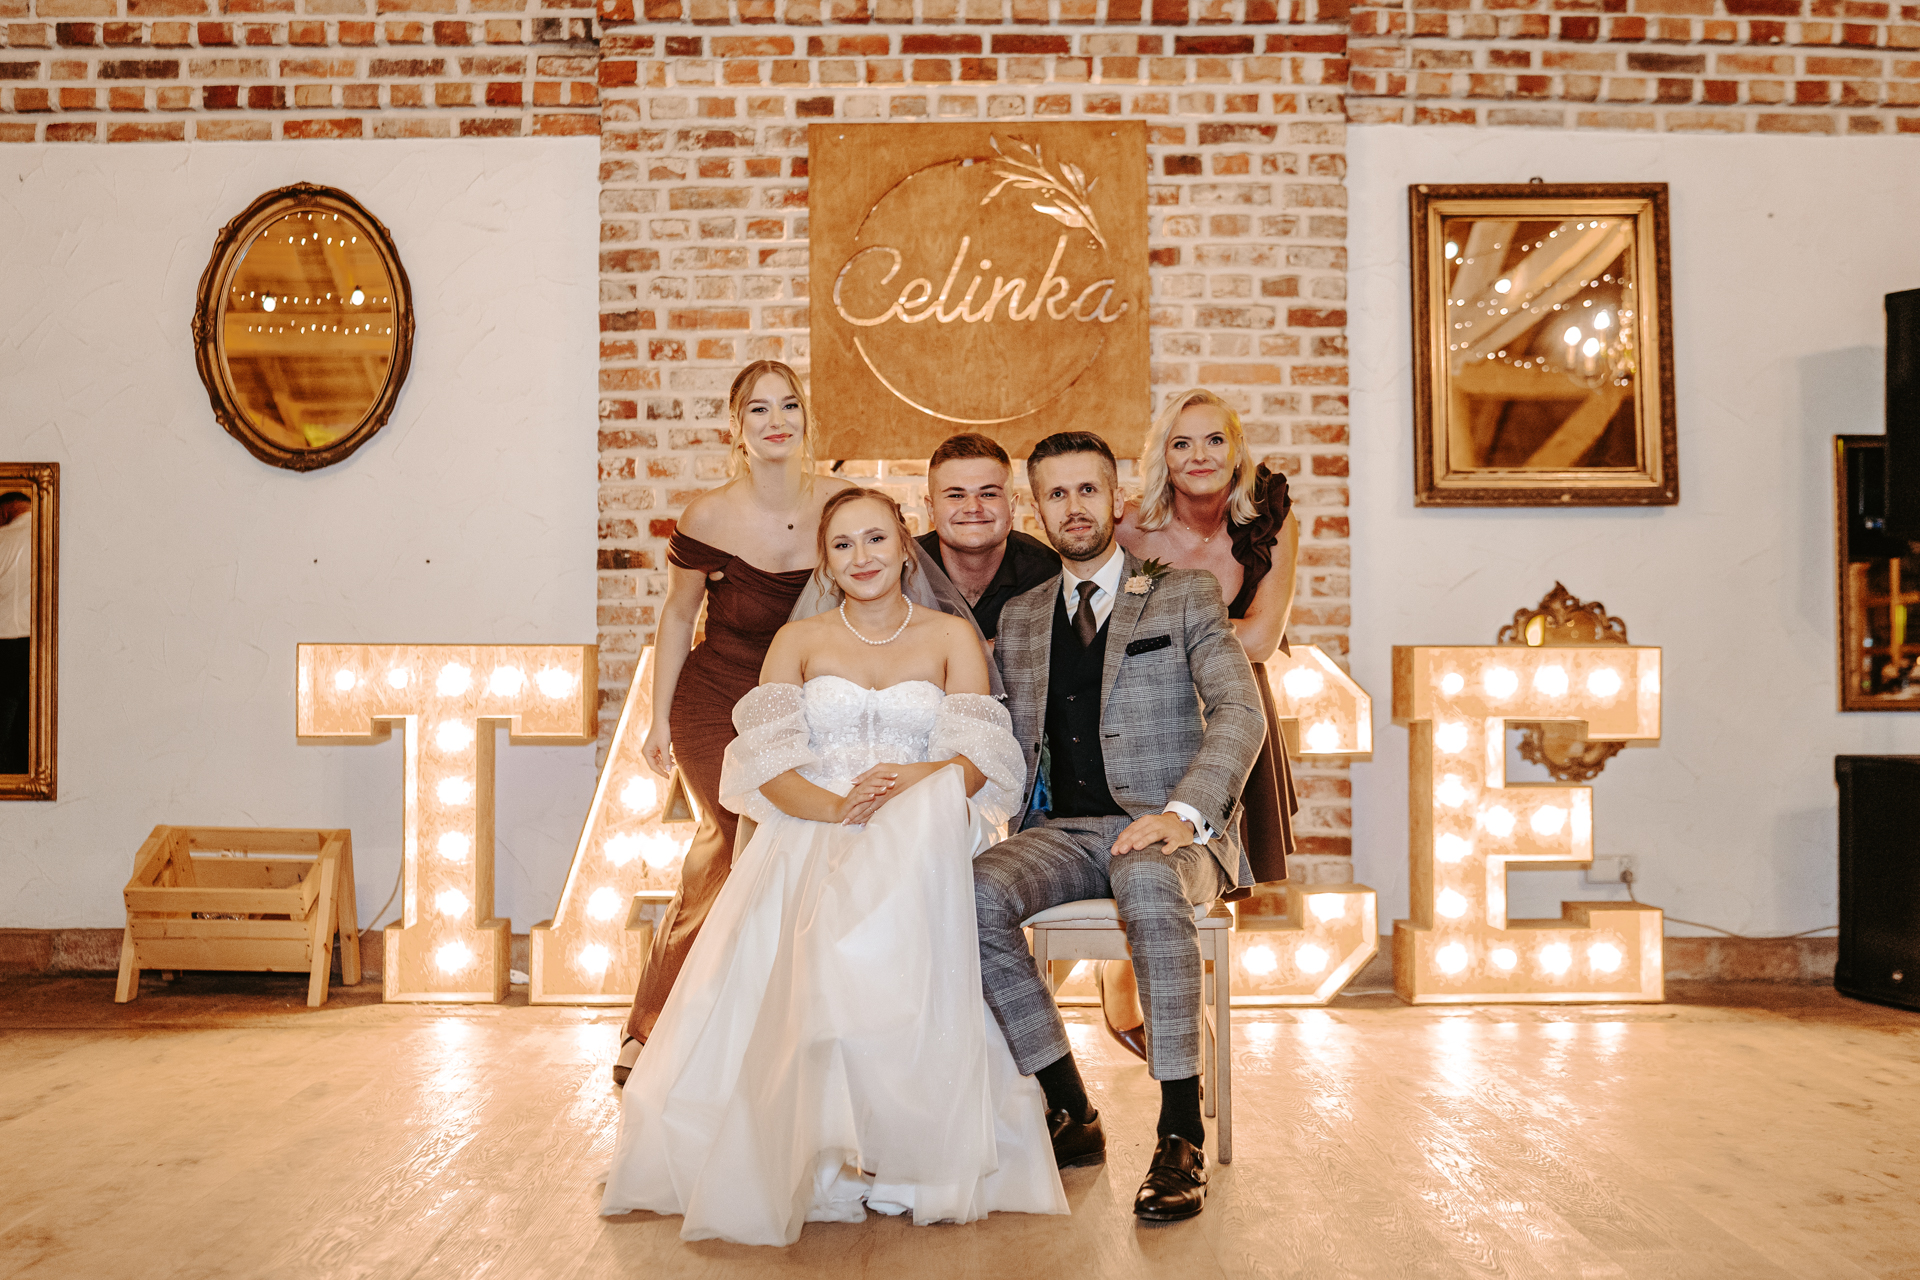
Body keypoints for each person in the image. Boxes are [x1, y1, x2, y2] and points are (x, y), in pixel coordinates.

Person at [601, 488, 1066, 1245]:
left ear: (905, 547)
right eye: (843, 545)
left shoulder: (952, 637)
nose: (862, 557)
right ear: (825, 562)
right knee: (810, 924)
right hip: (812, 821)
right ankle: (810, 1150)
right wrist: (834, 809)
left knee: (897, 903)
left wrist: (905, 786)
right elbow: (766, 762)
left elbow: (978, 758)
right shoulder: (798, 642)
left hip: (919, 825)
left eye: (876, 538)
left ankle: (907, 1151)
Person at [974, 431, 1265, 1224]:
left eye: (1088, 489)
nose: (1074, 507)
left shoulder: (1184, 594)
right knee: (971, 893)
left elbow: (1240, 711)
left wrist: (1183, 812)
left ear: (1117, 499)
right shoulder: (1022, 618)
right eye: (1057, 494)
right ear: (1037, 509)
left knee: (1145, 873)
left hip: (1175, 832)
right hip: (1065, 831)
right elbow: (995, 732)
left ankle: (1179, 1133)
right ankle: (1071, 1108)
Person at [612, 361, 855, 1086]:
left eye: (789, 405)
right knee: (725, 846)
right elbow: (678, 616)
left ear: (807, 418)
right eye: (759, 409)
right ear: (736, 426)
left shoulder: (842, 505)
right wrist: (657, 719)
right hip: (717, 696)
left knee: (804, 856)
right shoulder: (707, 516)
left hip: (809, 705)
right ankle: (650, 1026)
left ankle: (773, 1033)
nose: (777, 420)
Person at [1097, 389, 1302, 1060]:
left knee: (1210, 870)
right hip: (1145, 712)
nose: (1199, 456)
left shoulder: (1270, 524)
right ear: (1163, 457)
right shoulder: (1129, 526)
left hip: (1228, 705)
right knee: (1139, 853)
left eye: (1214, 440)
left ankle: (1166, 1002)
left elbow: (1263, 638)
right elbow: (1093, 625)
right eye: (1181, 443)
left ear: (1236, 450)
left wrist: (1166, 639)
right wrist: (1196, 642)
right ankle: (1128, 986)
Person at [915, 433, 1060, 644]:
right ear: (931, 509)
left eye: (988, 494)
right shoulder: (900, 569)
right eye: (956, 495)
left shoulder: (1049, 575)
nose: (973, 508)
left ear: (1012, 506)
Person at [0, 491, 32, 775]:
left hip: (6, 639)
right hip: (40, 643)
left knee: (4, 717)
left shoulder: (3, 539)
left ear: (5, 512)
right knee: (30, 723)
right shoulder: (49, 536)